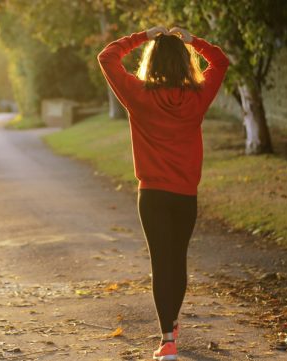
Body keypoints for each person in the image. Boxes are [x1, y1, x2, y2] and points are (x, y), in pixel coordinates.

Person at [97, 25, 228, 361]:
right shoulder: (197, 96)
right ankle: (171, 322)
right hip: (184, 195)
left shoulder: (137, 94)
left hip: (152, 195)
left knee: (161, 262)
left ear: (151, 62)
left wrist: (143, 36)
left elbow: (107, 56)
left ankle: (167, 339)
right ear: (185, 63)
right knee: (177, 260)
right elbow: (221, 62)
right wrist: (193, 41)